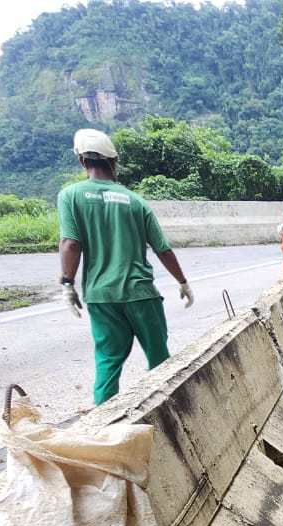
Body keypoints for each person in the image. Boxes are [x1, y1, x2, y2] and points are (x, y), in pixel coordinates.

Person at [58, 128, 193, 406]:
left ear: (82, 160)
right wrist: (182, 281)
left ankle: (105, 422)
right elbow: (163, 249)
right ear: (114, 161)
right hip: (141, 293)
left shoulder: (70, 196)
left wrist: (68, 284)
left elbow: (70, 244)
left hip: (102, 296)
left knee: (108, 363)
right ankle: (167, 415)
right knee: (160, 362)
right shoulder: (135, 201)